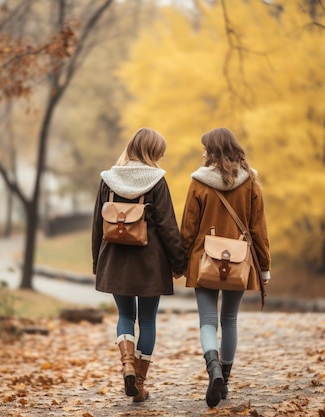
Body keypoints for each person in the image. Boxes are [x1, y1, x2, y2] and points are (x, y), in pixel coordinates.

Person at [92, 127, 186, 403]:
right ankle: (140, 385)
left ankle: (127, 366)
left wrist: (98, 260)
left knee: (124, 316)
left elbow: (97, 223)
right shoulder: (157, 181)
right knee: (147, 320)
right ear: (153, 152)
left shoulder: (107, 180)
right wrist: (179, 262)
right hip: (150, 261)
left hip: (115, 258)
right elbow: (168, 226)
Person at [180, 127, 271, 407]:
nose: (202, 152)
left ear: (213, 151)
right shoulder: (251, 182)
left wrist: (181, 262)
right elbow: (259, 230)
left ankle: (214, 369)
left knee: (207, 321)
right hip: (239, 260)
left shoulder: (198, 182)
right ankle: (226, 379)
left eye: (205, 148)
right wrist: (264, 267)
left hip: (203, 260)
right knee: (229, 320)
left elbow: (188, 228)